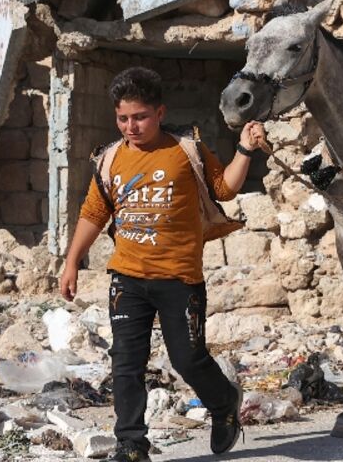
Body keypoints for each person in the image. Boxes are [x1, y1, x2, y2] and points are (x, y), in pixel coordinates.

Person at [58, 67, 267, 462]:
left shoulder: (185, 150)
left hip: (180, 278)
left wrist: (245, 149)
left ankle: (224, 403)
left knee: (187, 359)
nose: (131, 126)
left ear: (159, 112)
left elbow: (224, 188)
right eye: (123, 118)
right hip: (127, 279)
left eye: (140, 117)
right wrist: (71, 262)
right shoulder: (109, 159)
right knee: (125, 363)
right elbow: (92, 212)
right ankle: (132, 444)